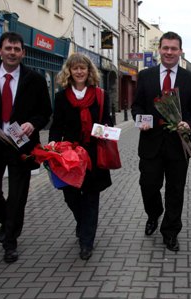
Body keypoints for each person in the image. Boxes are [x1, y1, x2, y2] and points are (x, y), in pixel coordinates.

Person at [0, 32, 52, 263]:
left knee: (18, 198)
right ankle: (9, 223)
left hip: (21, 146)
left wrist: (32, 123)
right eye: (8, 48)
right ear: (0, 50)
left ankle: (10, 241)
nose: (12, 53)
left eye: (17, 49)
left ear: (23, 53)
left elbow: (45, 111)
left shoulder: (34, 79)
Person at [131, 31, 191, 252]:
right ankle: (154, 214)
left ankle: (170, 232)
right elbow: (137, 106)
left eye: (174, 48)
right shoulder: (146, 75)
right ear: (159, 50)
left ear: (180, 51)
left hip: (178, 145)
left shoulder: (189, 79)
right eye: (166, 48)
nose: (169, 52)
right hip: (150, 142)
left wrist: (188, 125)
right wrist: (139, 120)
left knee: (176, 190)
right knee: (148, 186)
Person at [49, 53, 112, 260]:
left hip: (94, 154)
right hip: (70, 155)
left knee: (92, 199)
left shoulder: (101, 95)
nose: (79, 71)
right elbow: (57, 125)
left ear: (88, 71)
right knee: (70, 195)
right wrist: (52, 143)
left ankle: (87, 242)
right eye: (74, 68)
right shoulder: (61, 96)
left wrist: (105, 130)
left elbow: (108, 122)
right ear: (69, 71)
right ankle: (82, 223)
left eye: (82, 68)